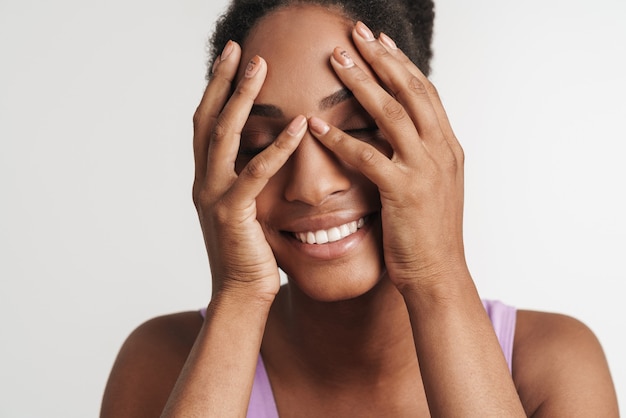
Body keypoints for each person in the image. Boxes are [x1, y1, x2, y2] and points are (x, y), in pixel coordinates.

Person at [100, 0, 619, 416]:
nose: (310, 185)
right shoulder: (161, 361)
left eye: (358, 131)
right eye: (261, 144)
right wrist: (236, 297)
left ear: (427, 132)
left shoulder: (551, 363)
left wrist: (437, 277)